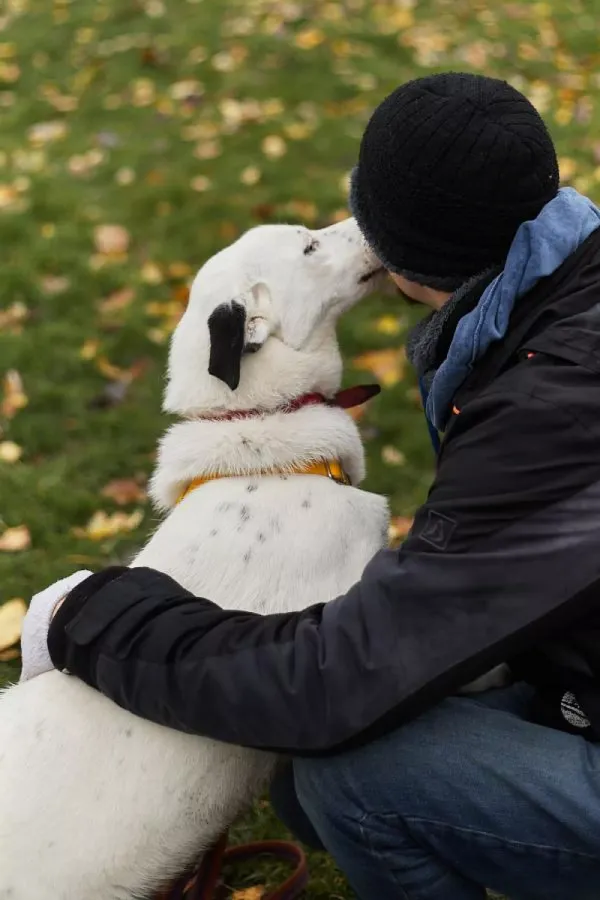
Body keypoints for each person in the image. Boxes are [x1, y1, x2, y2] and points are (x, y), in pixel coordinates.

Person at [20, 72, 600, 899]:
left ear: (400, 251)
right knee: (303, 769)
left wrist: (91, 615)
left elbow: (336, 685)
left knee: (348, 775)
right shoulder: (571, 301)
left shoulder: (556, 402)